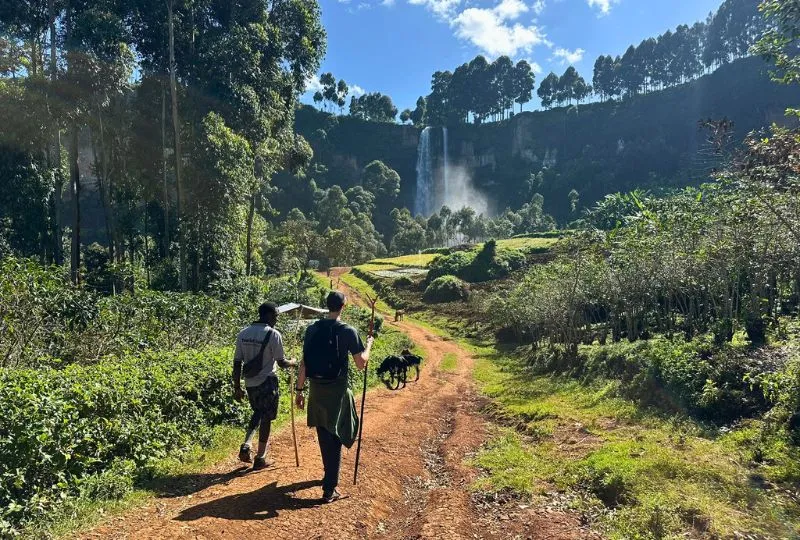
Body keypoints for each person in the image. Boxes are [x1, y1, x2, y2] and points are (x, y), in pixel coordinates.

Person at [294, 291, 373, 503]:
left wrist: (299, 390)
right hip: (337, 391)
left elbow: (304, 363)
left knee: (323, 433)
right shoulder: (347, 330)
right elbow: (360, 363)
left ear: (326, 305)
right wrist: (369, 345)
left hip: (316, 389)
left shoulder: (312, 329)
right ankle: (329, 488)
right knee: (337, 435)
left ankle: (329, 476)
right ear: (343, 306)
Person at [232, 302, 296, 470]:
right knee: (266, 417)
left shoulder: (243, 334)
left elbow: (237, 363)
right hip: (268, 381)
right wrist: (294, 362)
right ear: (267, 315)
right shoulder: (273, 334)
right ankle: (260, 457)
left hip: (250, 383)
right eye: (275, 315)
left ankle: (247, 443)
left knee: (258, 412)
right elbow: (281, 362)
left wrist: (237, 387)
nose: (276, 318)